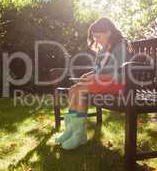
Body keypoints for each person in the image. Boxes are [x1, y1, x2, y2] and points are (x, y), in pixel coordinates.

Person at [55, 17, 132, 150]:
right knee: (73, 90)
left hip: (118, 84)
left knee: (79, 90)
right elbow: (98, 70)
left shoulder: (120, 45)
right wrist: (91, 74)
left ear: (108, 32)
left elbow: (119, 72)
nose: (96, 40)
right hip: (104, 82)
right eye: (94, 37)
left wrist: (96, 77)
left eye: (98, 36)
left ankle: (79, 135)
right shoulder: (103, 50)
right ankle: (72, 130)